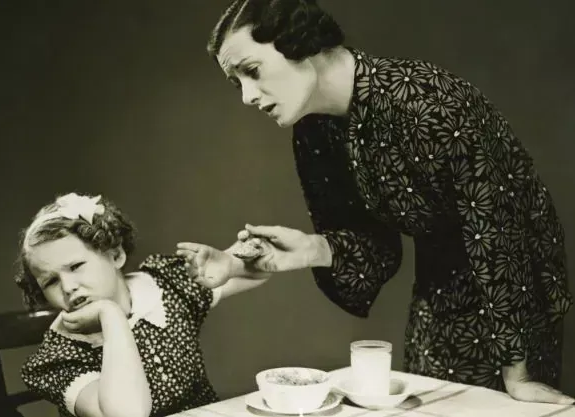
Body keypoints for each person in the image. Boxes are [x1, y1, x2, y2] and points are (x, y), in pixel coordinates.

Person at [195, 0, 574, 404]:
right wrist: (311, 248)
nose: (247, 97)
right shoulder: (313, 130)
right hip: (438, 286)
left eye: (252, 72)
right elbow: (376, 244)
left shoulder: (426, 99)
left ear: (299, 42)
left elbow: (498, 231)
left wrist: (518, 372)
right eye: (237, 83)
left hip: (517, 285)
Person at [16, 192, 269, 417]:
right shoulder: (58, 356)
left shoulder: (165, 285)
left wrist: (232, 260)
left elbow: (257, 272)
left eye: (75, 266)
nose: (68, 286)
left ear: (115, 255)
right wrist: (111, 314)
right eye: (50, 281)